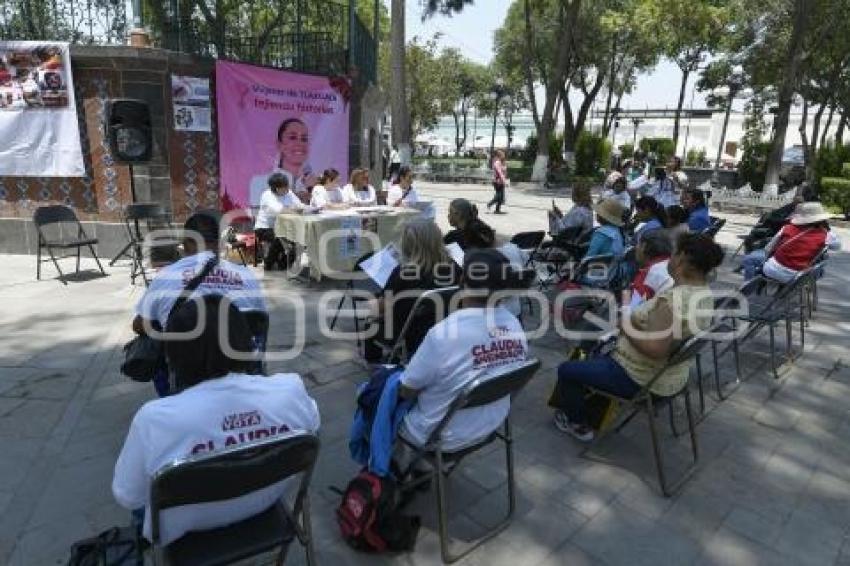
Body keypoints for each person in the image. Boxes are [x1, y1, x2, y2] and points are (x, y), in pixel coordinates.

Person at [114, 294, 320, 545]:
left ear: (174, 354)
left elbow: (128, 496)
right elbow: (313, 424)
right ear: (246, 341)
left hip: (188, 529)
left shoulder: (154, 419)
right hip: (264, 500)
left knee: (144, 497)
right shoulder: (290, 390)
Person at [553, 233, 723, 441]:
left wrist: (626, 326)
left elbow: (656, 350)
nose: (669, 259)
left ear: (682, 258)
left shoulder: (673, 301)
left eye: (673, 254)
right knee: (594, 346)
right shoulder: (703, 292)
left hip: (640, 378)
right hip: (668, 375)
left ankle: (577, 423)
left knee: (567, 370)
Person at [398, 248, 528, 451]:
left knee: (376, 399)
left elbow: (407, 390)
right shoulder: (514, 324)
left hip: (439, 435)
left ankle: (387, 470)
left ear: (462, 283)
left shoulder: (443, 334)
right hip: (490, 424)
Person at [362, 220, 459, 363]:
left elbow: (381, 307)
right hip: (443, 325)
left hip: (406, 332)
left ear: (409, 245)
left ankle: (373, 361)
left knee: (371, 315)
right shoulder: (454, 267)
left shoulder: (403, 272)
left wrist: (371, 304)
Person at [741, 201, 841, 282]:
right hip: (799, 276)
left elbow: (769, 249)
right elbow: (837, 246)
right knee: (821, 268)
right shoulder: (826, 235)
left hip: (772, 270)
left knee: (749, 259)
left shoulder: (787, 228)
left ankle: (749, 285)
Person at [249, 118, 317, 207]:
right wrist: (298, 196)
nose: (300, 143)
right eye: (292, 137)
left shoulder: (311, 182)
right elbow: (259, 213)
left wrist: (312, 190)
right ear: (279, 144)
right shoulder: (260, 182)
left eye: (304, 139)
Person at [254, 173, 305, 270]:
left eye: (287, 186)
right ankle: (269, 264)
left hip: (285, 227)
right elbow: (279, 210)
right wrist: (293, 209)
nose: (287, 189)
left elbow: (299, 205)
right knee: (281, 238)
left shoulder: (288, 193)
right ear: (277, 188)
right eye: (285, 187)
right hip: (265, 228)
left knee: (299, 241)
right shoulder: (267, 195)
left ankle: (284, 265)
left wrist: (304, 208)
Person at [625, 230, 674, 309]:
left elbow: (632, 311)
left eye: (638, 244)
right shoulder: (672, 264)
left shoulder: (649, 273)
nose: (635, 248)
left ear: (643, 246)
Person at [487, 149, 509, 214]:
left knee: (501, 197)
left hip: (501, 181)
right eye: (503, 154)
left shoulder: (502, 162)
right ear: (499, 155)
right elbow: (500, 173)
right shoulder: (497, 163)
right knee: (499, 195)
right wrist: (505, 181)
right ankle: (490, 203)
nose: (504, 155)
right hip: (497, 181)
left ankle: (497, 210)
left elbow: (504, 171)